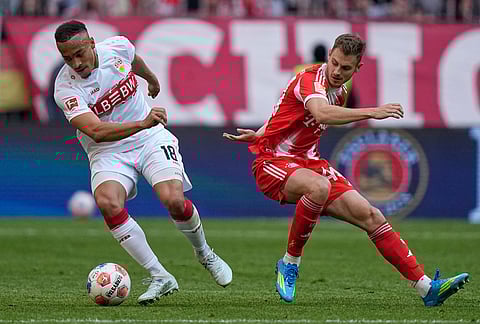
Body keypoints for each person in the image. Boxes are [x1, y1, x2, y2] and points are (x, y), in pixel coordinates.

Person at [223, 33, 469, 306]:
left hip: (309, 162)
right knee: (319, 187)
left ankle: (427, 288)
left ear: (358, 68)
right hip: (273, 162)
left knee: (372, 216)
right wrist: (373, 112)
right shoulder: (310, 79)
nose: (338, 72)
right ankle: (289, 263)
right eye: (335, 63)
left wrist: (259, 132)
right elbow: (322, 114)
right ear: (329, 55)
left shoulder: (339, 91)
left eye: (346, 67)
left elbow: (286, 114)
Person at [53, 20, 232, 305]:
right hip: (108, 149)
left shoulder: (117, 47)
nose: (76, 63)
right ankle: (160, 275)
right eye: (67, 58)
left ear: (92, 43)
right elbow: (96, 131)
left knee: (173, 200)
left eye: (79, 54)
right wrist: (143, 121)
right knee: (107, 202)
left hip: (150, 139)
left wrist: (152, 79)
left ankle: (205, 254)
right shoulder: (65, 89)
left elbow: (134, 60)